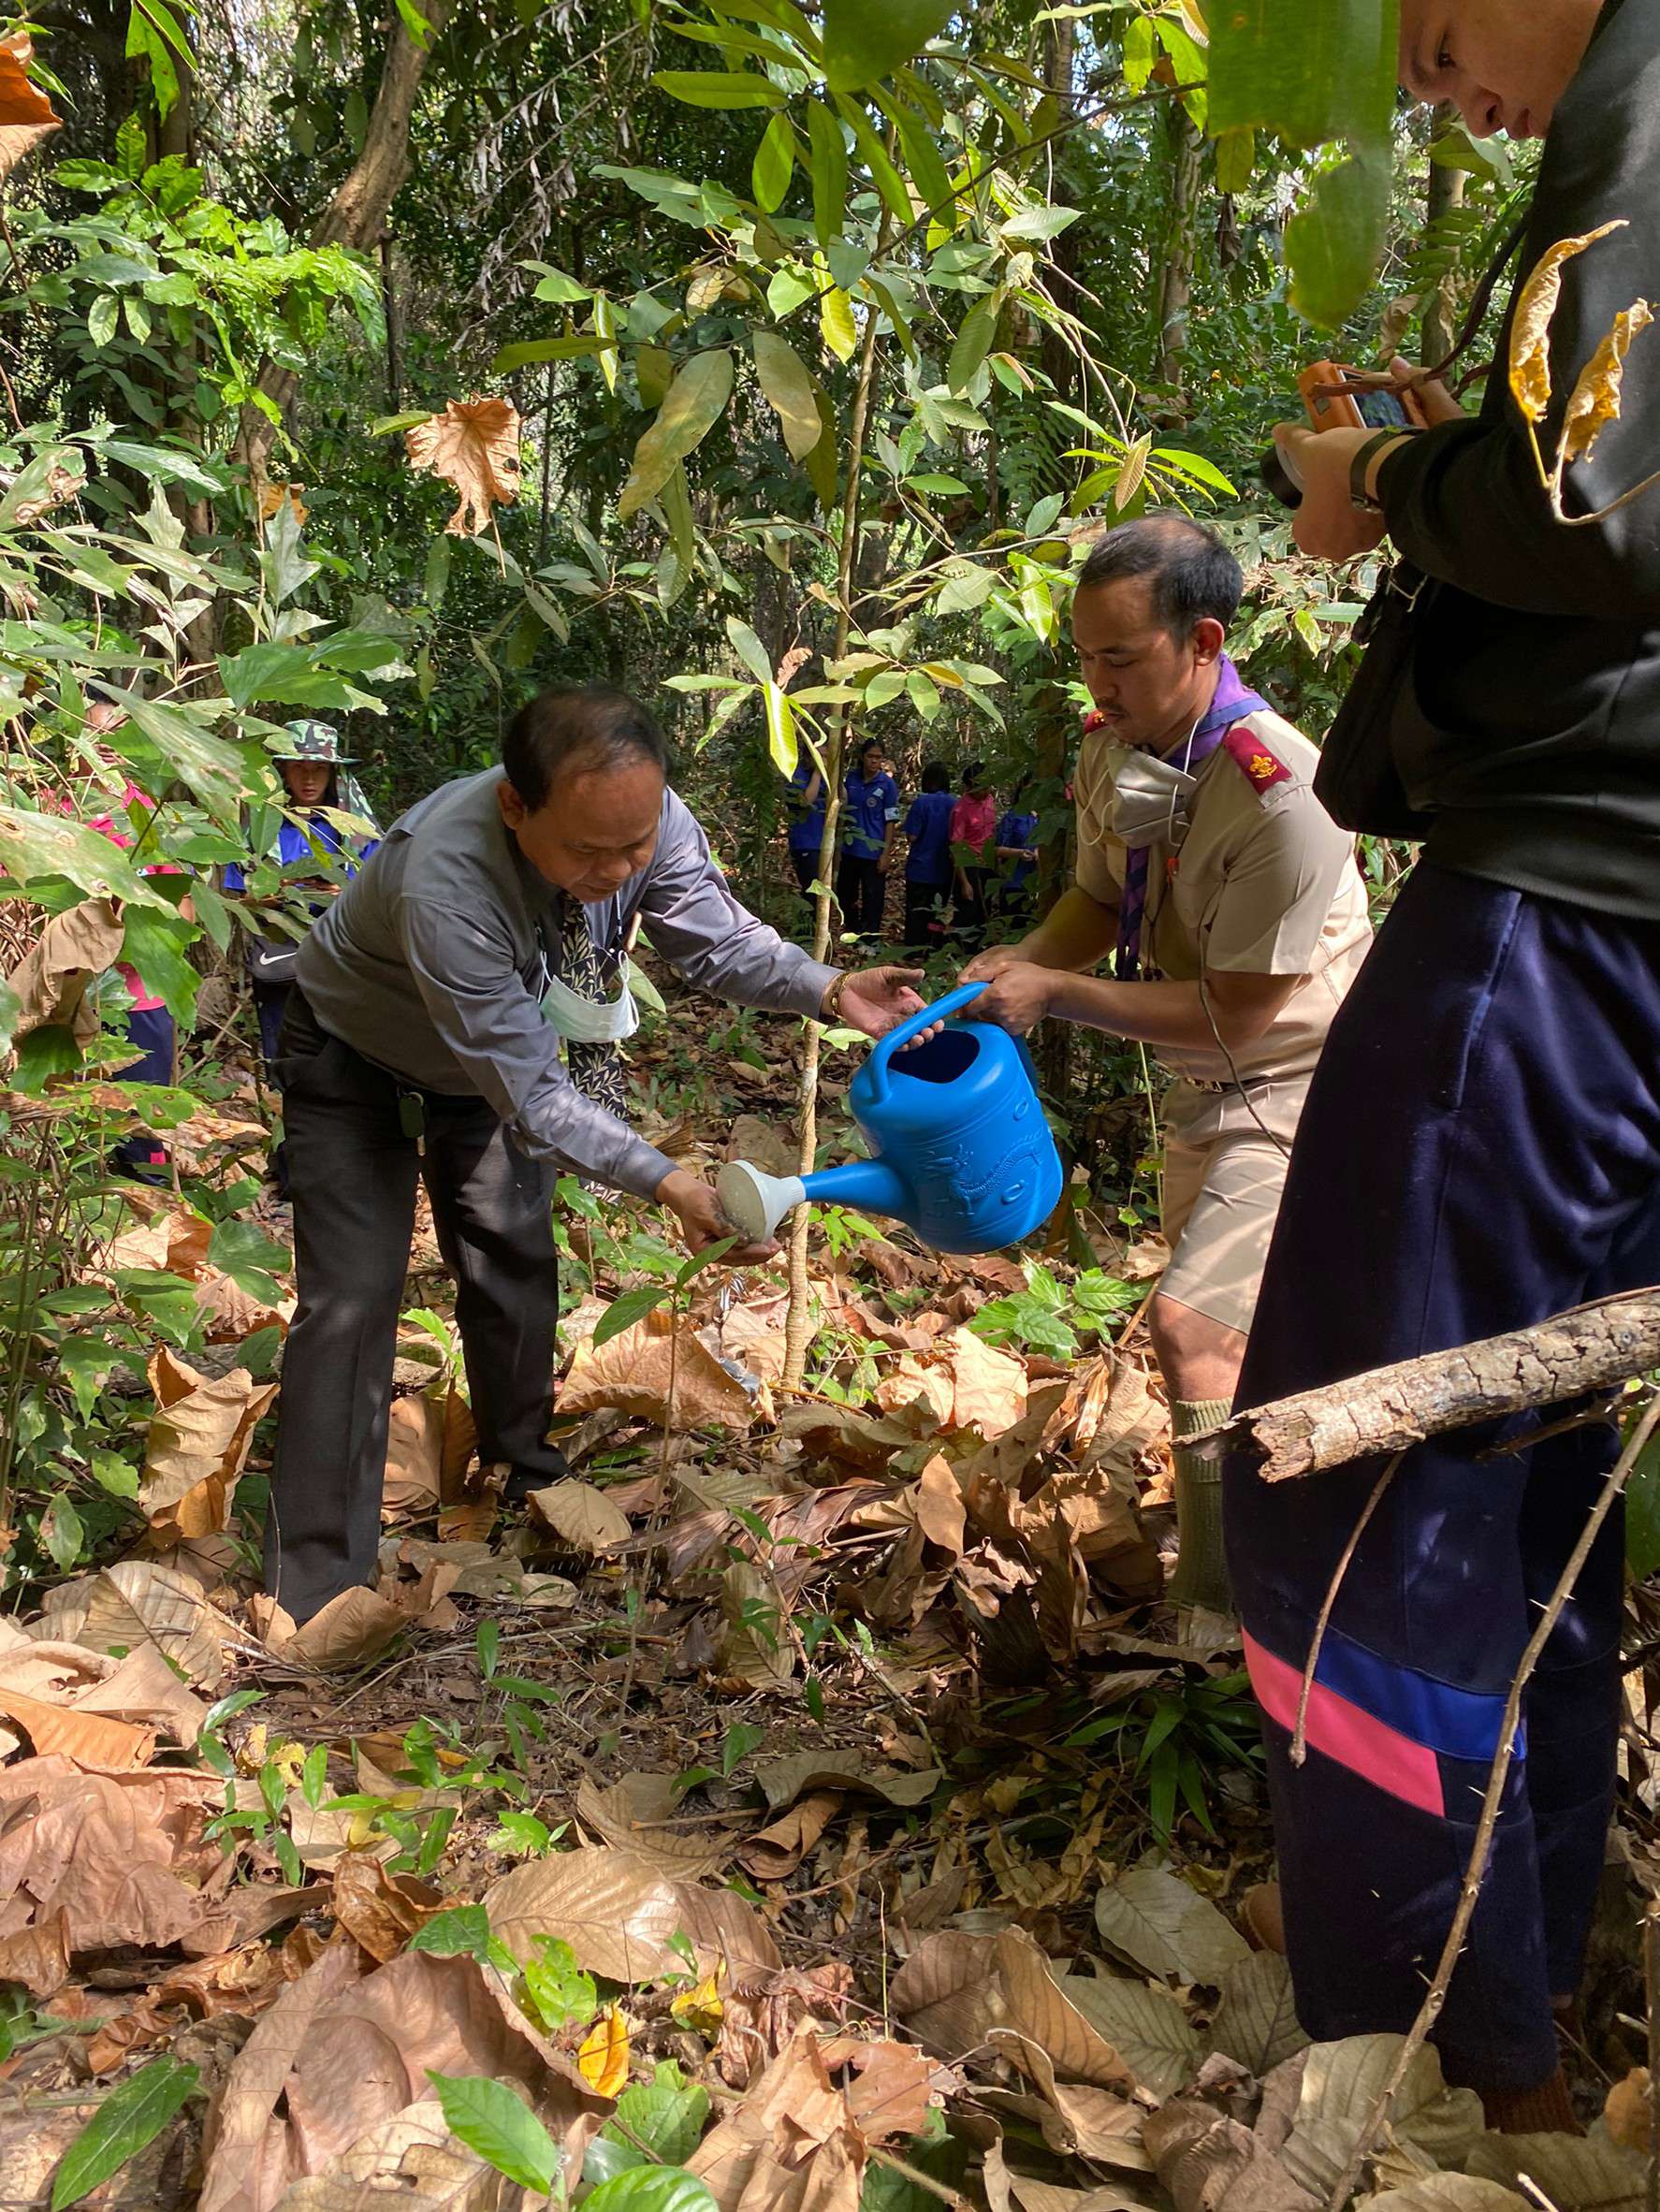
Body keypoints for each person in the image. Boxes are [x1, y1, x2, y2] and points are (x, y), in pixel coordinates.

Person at [1226, 0, 1660, 2132]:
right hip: (1617, 928)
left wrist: (1383, 481)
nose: (1441, 98)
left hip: (1559, 913)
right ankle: (1519, 2033)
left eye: (1427, 38)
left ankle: (1405, 2071)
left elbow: (1599, 500)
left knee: (1353, 1478)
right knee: (1524, 1464)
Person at [268, 685, 926, 1627]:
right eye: (588, 852)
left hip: (483, 1069)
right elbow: (536, 1098)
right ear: (515, 805)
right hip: (352, 1057)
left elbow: (715, 942)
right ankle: (316, 1587)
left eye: (635, 847)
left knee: (511, 1259)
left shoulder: (641, 817)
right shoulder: (444, 879)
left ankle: (524, 1471)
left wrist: (829, 989)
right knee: (351, 1302)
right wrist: (670, 1184)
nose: (617, 872)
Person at [962, 517, 1370, 1611]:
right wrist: (1018, 965)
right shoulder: (1117, 744)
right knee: (1244, 1341)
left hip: (1299, 1090)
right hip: (1204, 1087)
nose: (1098, 683)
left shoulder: (1285, 790)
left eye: (1120, 658)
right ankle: (1272, 1559)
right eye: (1085, 657)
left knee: (1194, 1333)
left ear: (1202, 641)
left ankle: (1217, 1611)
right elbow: (1101, 897)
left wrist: (1055, 995)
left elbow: (1236, 1010)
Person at [223, 721, 380, 1196]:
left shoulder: (353, 828)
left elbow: (380, 888)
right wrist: (286, 891)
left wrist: (339, 891)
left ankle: (347, 1171)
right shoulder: (260, 825)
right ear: (282, 771)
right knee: (286, 1065)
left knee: (349, 1063)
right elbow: (237, 891)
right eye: (298, 767)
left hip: (344, 966)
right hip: (281, 967)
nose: (309, 778)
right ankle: (295, 1175)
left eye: (319, 768)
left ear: (333, 774)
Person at [837, 738, 898, 941]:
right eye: (870, 756)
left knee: (873, 898)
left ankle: (870, 939)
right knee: (846, 894)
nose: (874, 761)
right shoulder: (851, 779)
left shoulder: (888, 785)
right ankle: (853, 931)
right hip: (849, 849)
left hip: (873, 851)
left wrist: (885, 853)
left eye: (878, 757)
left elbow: (890, 821)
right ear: (863, 757)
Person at [900, 762, 955, 952]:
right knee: (937, 911)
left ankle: (913, 948)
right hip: (944, 868)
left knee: (916, 910)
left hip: (920, 868)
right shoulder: (954, 804)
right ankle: (934, 946)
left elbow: (912, 836)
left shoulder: (922, 803)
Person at [948, 762, 997, 946]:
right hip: (969, 866)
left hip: (987, 864)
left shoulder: (989, 800)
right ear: (969, 786)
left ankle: (981, 949)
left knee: (984, 911)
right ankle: (962, 950)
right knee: (967, 911)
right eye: (979, 787)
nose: (984, 791)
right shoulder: (961, 809)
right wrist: (964, 882)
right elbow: (956, 847)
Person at [993, 782, 1041, 929]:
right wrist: (1019, 853)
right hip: (1014, 882)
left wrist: (1038, 851)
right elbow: (997, 849)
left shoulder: (1040, 818)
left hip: (1036, 883)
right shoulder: (1012, 817)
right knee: (1013, 925)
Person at [784, 755, 825, 900]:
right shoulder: (797, 773)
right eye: (820, 756)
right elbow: (806, 801)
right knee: (811, 892)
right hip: (806, 842)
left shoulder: (827, 775)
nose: (824, 760)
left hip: (824, 841)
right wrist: (818, 772)